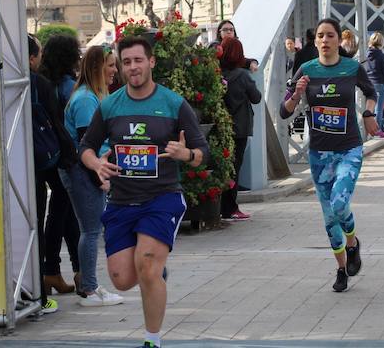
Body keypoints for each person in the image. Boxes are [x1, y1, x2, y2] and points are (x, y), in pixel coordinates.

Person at [81, 36, 209, 348]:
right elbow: (84, 146)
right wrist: (97, 164)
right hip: (122, 200)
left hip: (161, 197)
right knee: (122, 280)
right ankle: (155, 275)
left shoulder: (173, 104)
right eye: (126, 62)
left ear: (151, 62)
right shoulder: (110, 105)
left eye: (138, 60)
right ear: (121, 67)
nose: (133, 67)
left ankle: (152, 340)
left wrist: (185, 155)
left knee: (148, 263)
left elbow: (203, 152)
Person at [280, 19, 378, 293]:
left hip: (349, 148)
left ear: (338, 40)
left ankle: (353, 242)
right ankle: (341, 268)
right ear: (315, 42)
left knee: (339, 202)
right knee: (328, 216)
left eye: (330, 35)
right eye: (320, 36)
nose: (325, 40)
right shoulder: (306, 70)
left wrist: (368, 113)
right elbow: (284, 111)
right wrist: (297, 94)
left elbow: (371, 93)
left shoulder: (352, 68)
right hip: (319, 153)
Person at [61, 45, 125, 307]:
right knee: (90, 229)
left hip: (85, 172)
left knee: (89, 229)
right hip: (83, 173)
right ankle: (89, 289)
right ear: (98, 67)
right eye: (110, 65)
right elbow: (88, 145)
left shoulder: (90, 96)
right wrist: (100, 176)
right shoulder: (87, 99)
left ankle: (89, 285)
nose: (115, 70)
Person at [28, 34, 74, 314]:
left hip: (23, 161)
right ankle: (48, 277)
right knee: (56, 209)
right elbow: (57, 124)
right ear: (32, 57)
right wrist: (69, 155)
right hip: (46, 158)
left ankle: (45, 276)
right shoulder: (44, 85)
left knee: (35, 217)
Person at [37, 34, 84, 296]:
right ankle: (63, 269)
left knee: (61, 211)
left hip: (44, 154)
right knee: (63, 212)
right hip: (63, 154)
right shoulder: (68, 87)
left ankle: (54, 270)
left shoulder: (44, 83)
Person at [219, 36, 262, 221]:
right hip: (240, 127)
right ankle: (230, 208)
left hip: (221, 127)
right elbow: (256, 97)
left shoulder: (217, 74)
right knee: (235, 168)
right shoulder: (242, 75)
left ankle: (222, 206)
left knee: (223, 167)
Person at [365, 32, 384, 138]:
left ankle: (369, 130)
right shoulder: (381, 55)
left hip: (369, 83)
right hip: (381, 84)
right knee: (379, 108)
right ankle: (377, 130)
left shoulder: (366, 55)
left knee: (370, 108)